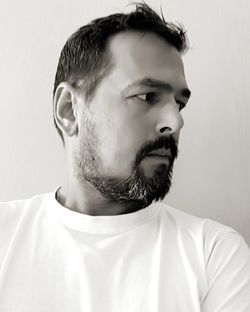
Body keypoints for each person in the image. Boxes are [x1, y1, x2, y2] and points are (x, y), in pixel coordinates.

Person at [0, 2, 249, 311]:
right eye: (146, 96)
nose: (175, 121)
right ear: (68, 110)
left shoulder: (213, 254)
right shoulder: (5, 236)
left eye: (179, 103)